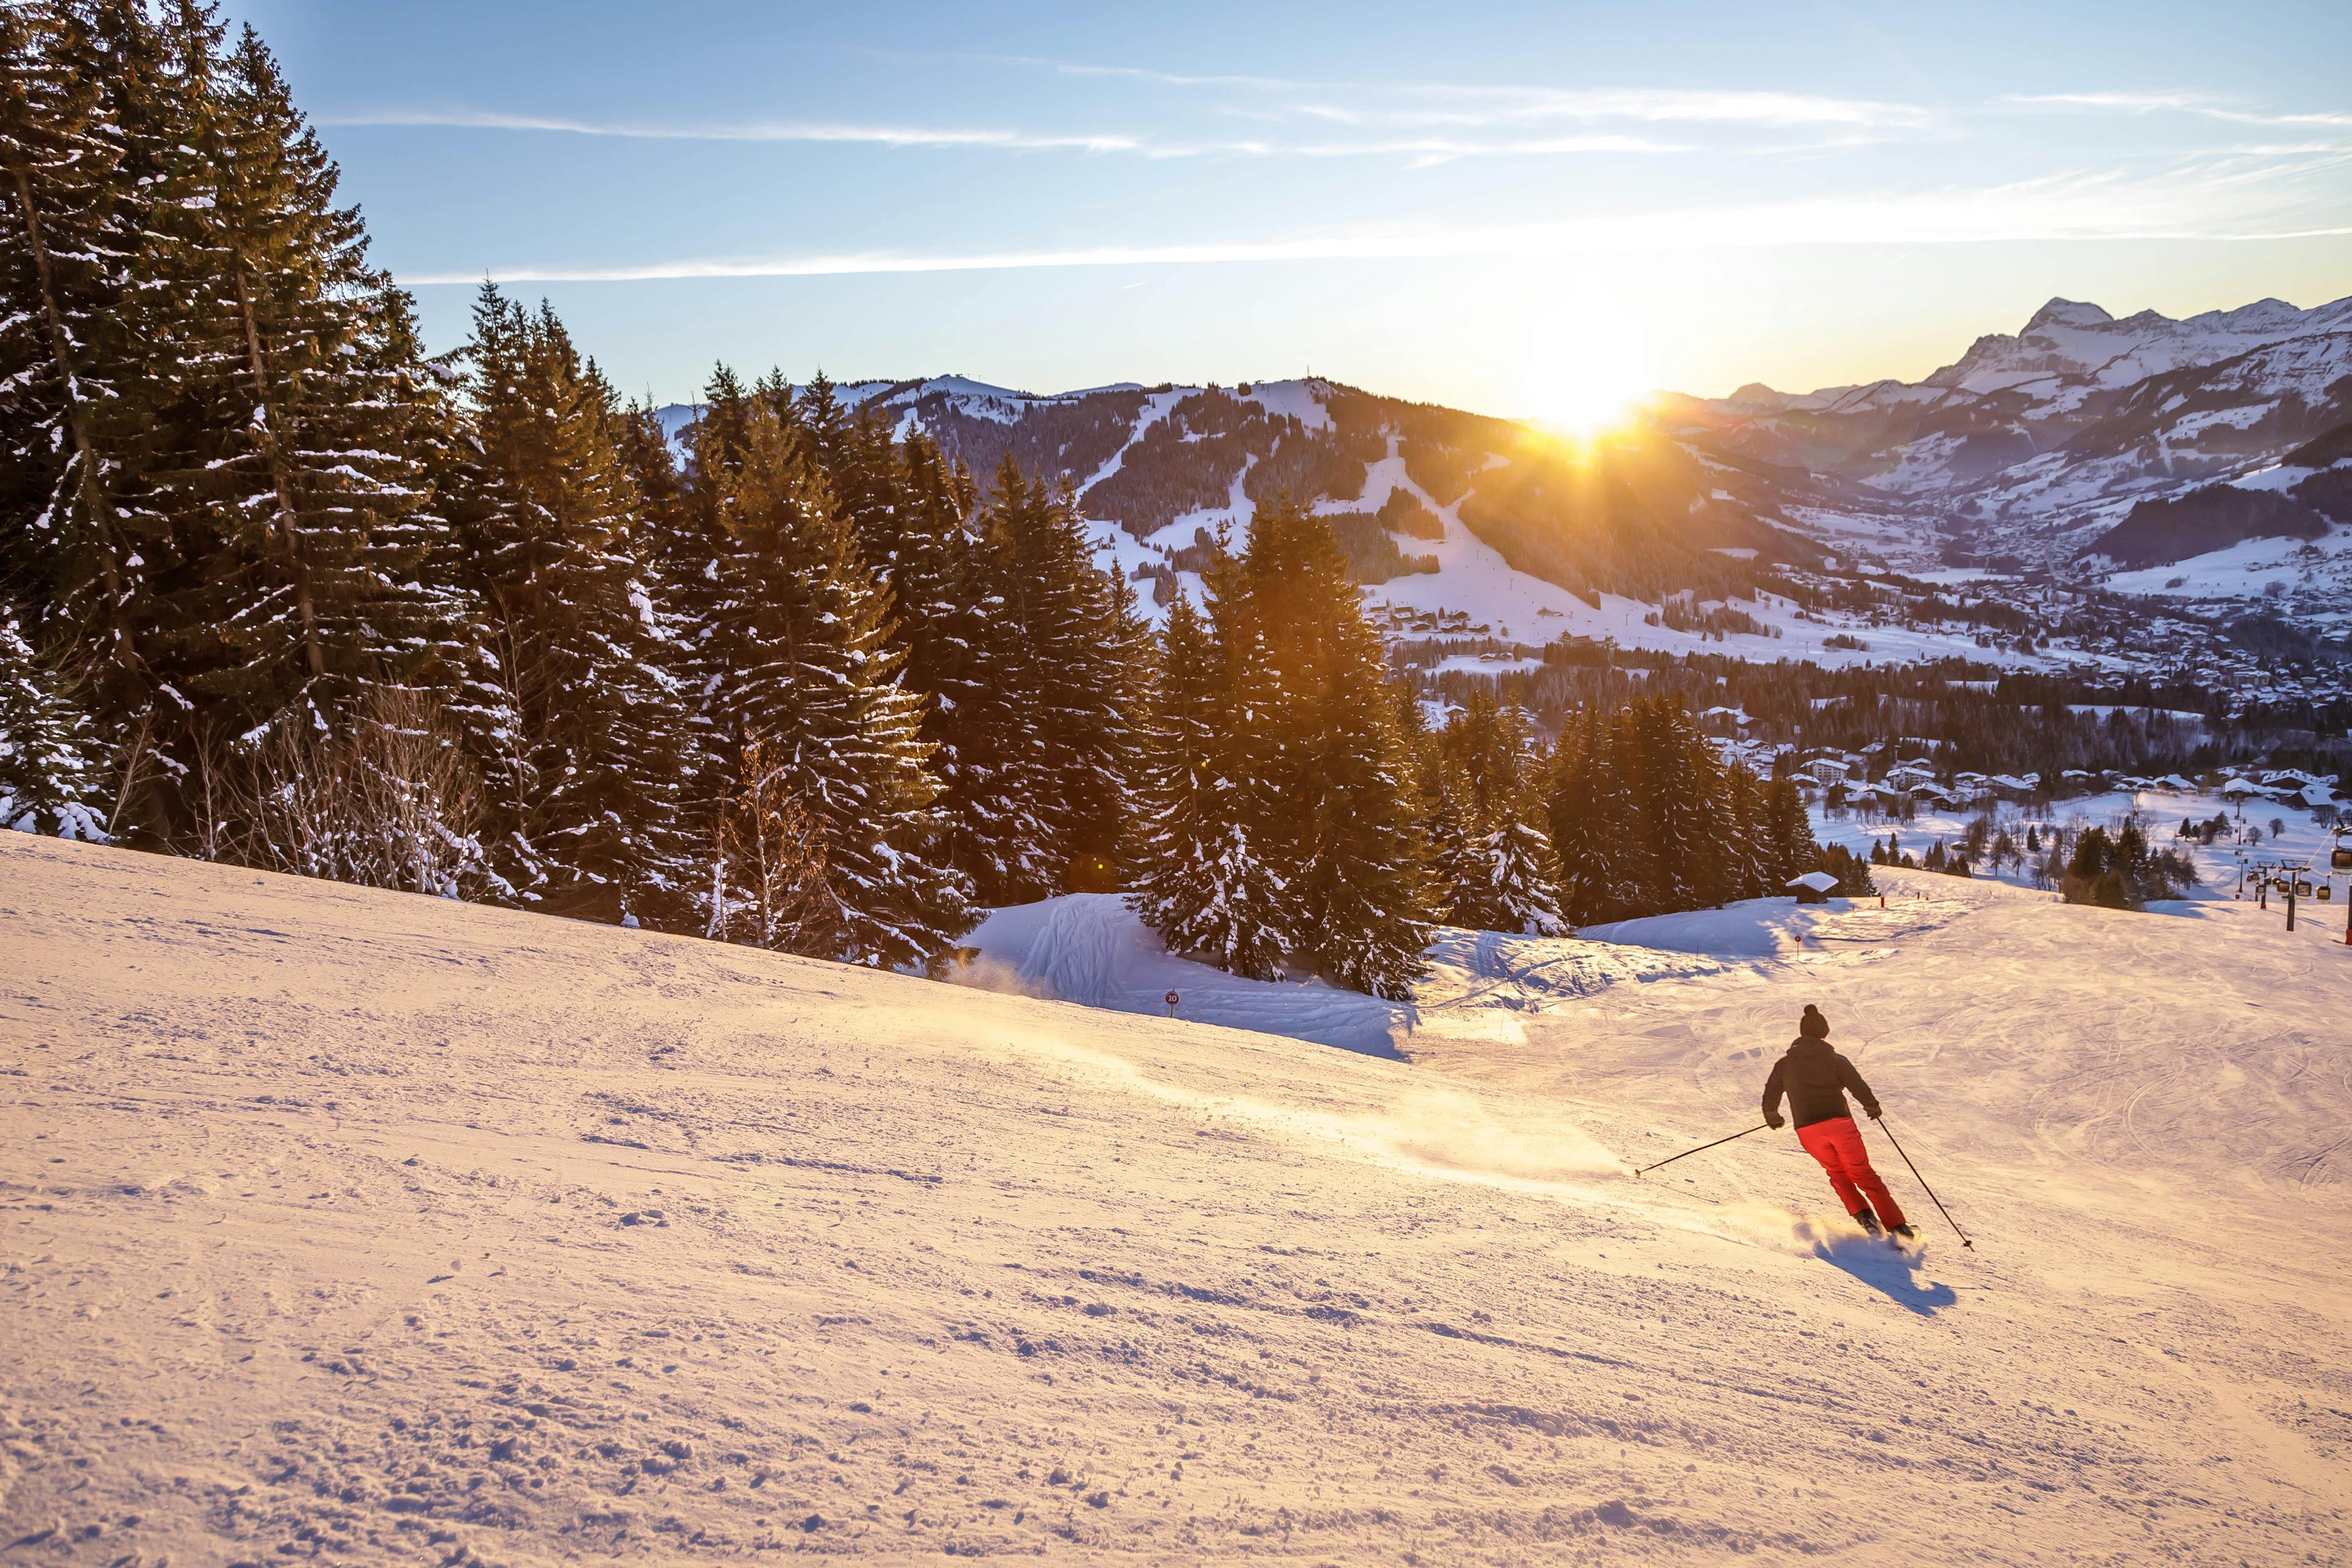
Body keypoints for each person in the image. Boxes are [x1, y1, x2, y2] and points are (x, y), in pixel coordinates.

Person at [1763, 1005, 1915, 1241]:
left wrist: (1773, 1118)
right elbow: (1857, 1085)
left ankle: (1865, 1218)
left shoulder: (1785, 1064)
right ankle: (1897, 1227)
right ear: (1824, 1034)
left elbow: (1771, 1094)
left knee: (1836, 1171)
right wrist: (1871, 1106)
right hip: (1838, 1124)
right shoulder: (1835, 1060)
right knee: (1862, 1173)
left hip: (1807, 1130)